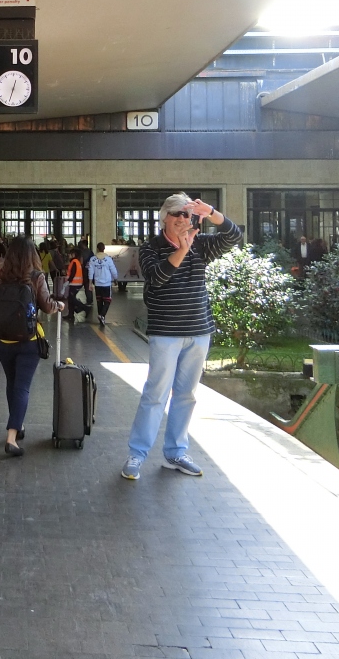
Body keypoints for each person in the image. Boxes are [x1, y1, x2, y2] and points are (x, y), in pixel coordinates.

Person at [121, 193, 242, 481]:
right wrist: (182, 251)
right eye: (177, 213)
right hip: (166, 332)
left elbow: (234, 236)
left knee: (186, 395)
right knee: (155, 394)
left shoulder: (201, 244)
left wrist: (211, 212)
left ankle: (176, 452)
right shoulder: (151, 248)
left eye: (188, 214)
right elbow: (156, 277)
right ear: (165, 217)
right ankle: (137, 455)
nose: (183, 219)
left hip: (198, 331)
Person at [0, 236, 62, 457]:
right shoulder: (36, 277)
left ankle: (18, 425)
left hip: (4, 342)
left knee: (12, 384)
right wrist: (59, 305)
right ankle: (11, 437)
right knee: (22, 387)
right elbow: (47, 306)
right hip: (28, 342)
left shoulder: (0, 276)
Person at [88, 242, 119, 325]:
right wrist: (115, 279)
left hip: (97, 284)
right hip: (106, 284)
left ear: (97, 249)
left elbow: (90, 272)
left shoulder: (92, 259)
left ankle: (101, 317)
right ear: (104, 249)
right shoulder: (108, 259)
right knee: (107, 300)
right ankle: (102, 315)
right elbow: (113, 270)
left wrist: (90, 283)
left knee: (99, 301)